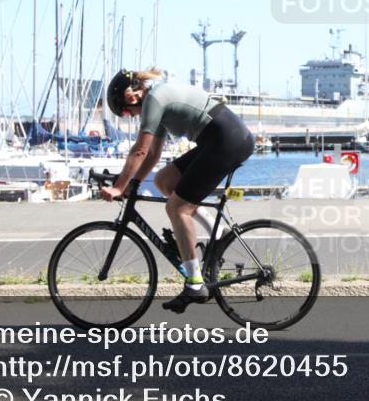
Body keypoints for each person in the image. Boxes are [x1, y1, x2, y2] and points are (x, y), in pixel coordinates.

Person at [101, 68, 256, 312]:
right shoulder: (157, 101)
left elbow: (139, 151)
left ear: (131, 99)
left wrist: (118, 187)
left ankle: (195, 283)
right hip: (220, 138)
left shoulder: (154, 99)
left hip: (227, 139)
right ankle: (218, 234)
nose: (130, 117)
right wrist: (133, 183)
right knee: (164, 181)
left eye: (126, 113)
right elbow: (152, 155)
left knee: (177, 208)